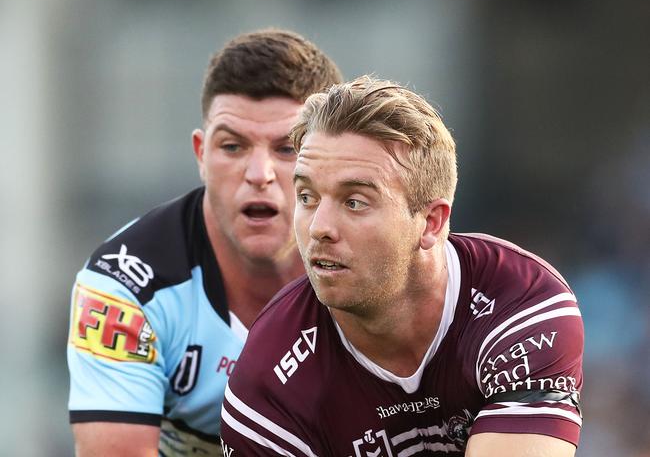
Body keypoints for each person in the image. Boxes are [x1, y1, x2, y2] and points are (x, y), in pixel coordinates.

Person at [220, 76, 584, 456]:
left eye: (355, 201)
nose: (319, 227)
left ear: (431, 223)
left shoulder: (523, 305)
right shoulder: (266, 383)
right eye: (307, 196)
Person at [67, 29, 342, 456]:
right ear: (201, 155)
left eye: (287, 149)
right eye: (232, 146)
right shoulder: (124, 289)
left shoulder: (386, 267)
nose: (259, 173)